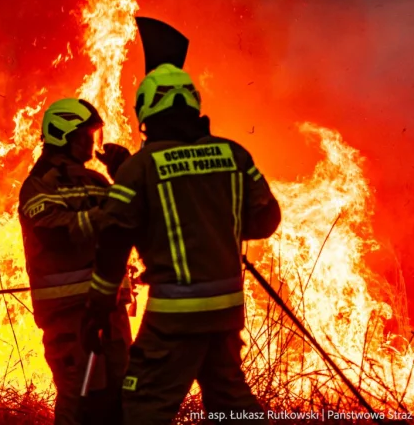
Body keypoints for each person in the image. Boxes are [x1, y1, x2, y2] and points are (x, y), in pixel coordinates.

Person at [84, 64, 282, 424]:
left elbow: (114, 237)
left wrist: (99, 303)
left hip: (175, 316)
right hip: (226, 310)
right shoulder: (233, 155)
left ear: (147, 113)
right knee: (229, 398)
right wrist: (215, 228)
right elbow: (267, 218)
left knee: (142, 404)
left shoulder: (142, 168)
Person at [17, 98, 133, 425]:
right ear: (64, 134)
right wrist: (106, 215)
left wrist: (128, 176)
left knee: (121, 397)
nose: (92, 143)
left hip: (110, 309)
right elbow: (53, 232)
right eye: (86, 135)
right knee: (78, 399)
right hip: (68, 315)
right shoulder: (40, 184)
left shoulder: (96, 181)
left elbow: (132, 218)